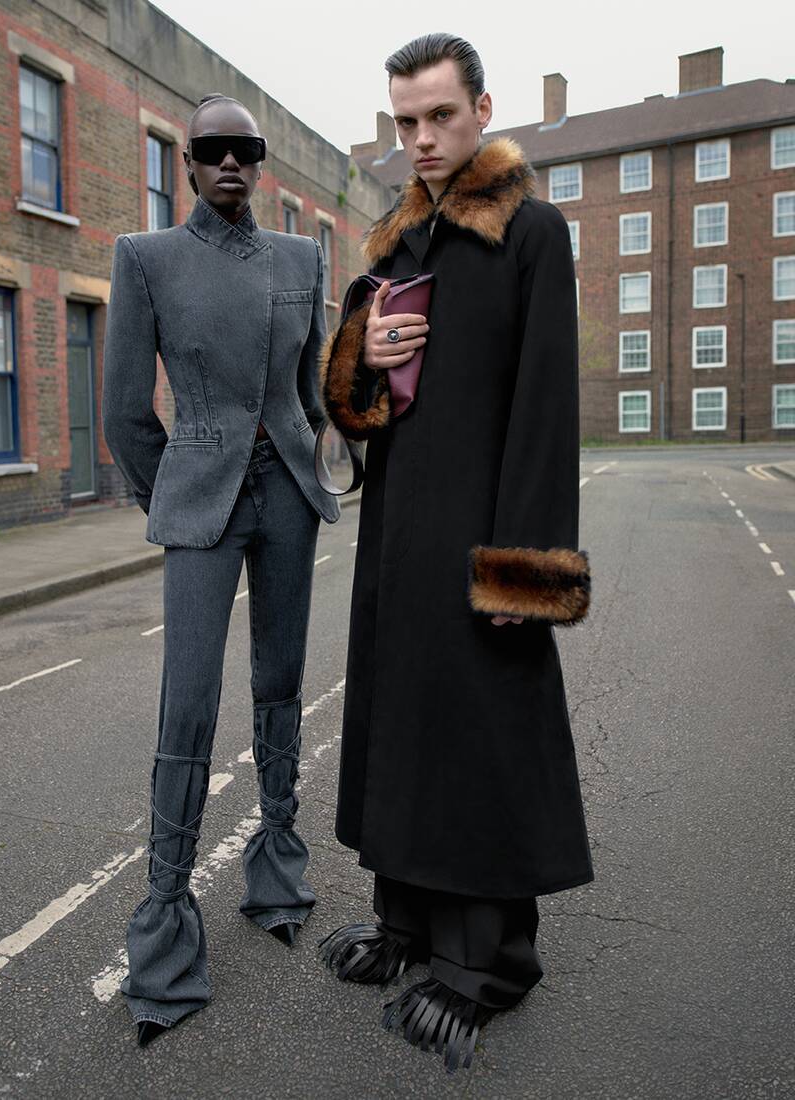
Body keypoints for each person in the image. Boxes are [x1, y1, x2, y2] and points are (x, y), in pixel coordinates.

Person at [317, 34, 593, 1073]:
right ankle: (406, 926)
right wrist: (361, 355)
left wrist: (523, 569)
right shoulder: (393, 240)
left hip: (484, 536)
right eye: (405, 122)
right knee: (403, 726)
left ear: (481, 108)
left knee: (478, 737)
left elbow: (545, 409)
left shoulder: (531, 230)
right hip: (398, 532)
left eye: (438, 116)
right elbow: (351, 403)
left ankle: (485, 965)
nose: (421, 139)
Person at [102, 93, 339, 1045]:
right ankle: (165, 931)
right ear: (187, 163)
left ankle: (276, 867)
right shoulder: (145, 259)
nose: (231, 163)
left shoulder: (303, 259)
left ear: (259, 162)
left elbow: (313, 389)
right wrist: (183, 494)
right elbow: (124, 411)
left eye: (248, 150)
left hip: (287, 498)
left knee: (280, 679)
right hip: (201, 500)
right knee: (189, 701)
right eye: (212, 150)